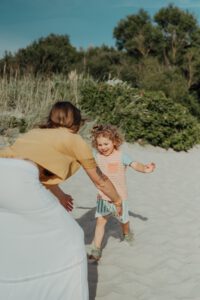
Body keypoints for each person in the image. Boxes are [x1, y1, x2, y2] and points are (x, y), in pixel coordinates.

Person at [0, 102, 123, 300]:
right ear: (75, 123)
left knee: (12, 232)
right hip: (19, 180)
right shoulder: (74, 140)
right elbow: (100, 180)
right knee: (73, 235)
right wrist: (117, 200)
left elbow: (35, 166)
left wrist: (60, 195)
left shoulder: (35, 133)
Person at [88, 124, 155, 261]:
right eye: (99, 145)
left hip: (120, 197)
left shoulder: (121, 156)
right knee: (100, 222)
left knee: (124, 220)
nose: (103, 147)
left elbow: (135, 164)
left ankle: (126, 233)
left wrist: (145, 169)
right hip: (103, 197)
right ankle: (96, 249)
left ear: (114, 141)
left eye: (106, 143)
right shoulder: (96, 156)